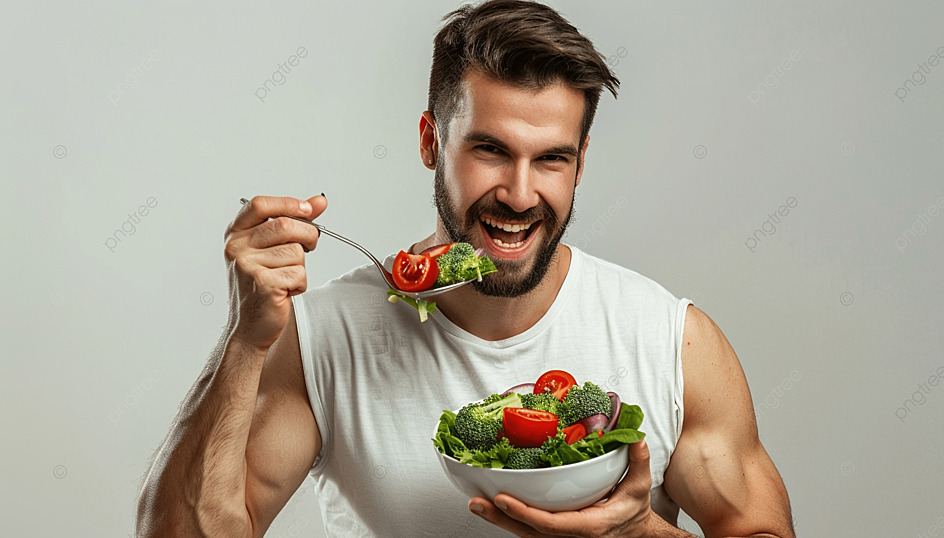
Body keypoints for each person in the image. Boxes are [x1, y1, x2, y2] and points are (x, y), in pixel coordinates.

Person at [136, 1, 795, 536]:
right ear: (431, 141)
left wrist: (638, 537)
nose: (518, 192)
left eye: (551, 159)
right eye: (490, 149)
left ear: (581, 163)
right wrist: (246, 341)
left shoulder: (672, 342)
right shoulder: (321, 339)